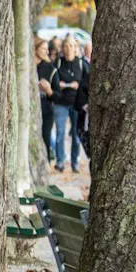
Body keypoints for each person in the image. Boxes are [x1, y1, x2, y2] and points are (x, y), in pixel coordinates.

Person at [51, 36, 88, 173]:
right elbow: (52, 79)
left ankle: (75, 162)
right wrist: (57, 85)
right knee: (60, 133)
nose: (68, 49)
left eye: (71, 46)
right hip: (60, 103)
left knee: (76, 135)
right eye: (66, 46)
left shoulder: (81, 64)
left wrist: (77, 86)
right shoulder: (58, 63)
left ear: (75, 48)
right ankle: (60, 162)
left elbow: (86, 83)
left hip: (76, 104)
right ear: (62, 49)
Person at [35, 39, 57, 163]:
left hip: (46, 109)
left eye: (47, 49)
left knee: (46, 137)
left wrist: (49, 90)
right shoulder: (27, 67)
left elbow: (57, 94)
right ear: (35, 49)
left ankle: (47, 161)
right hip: (30, 109)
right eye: (44, 48)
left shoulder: (50, 68)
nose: (47, 52)